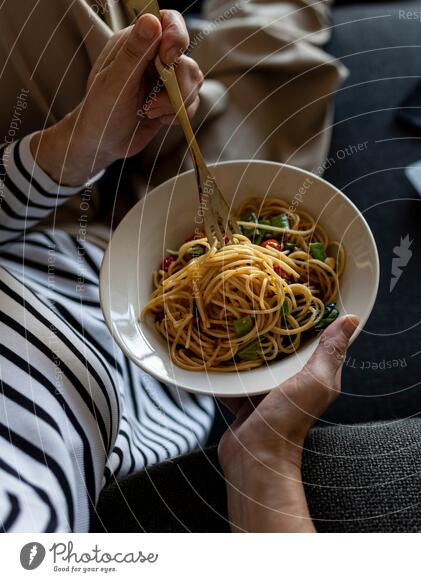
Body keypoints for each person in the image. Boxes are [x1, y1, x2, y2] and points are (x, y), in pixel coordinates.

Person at [0, 10, 359, 534]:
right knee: (277, 52)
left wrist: (68, 152)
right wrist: (266, 458)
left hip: (35, 209)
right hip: (150, 375)